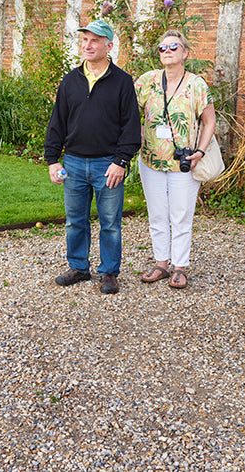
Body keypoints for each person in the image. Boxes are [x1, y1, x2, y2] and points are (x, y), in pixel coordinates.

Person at [44, 19, 141, 295]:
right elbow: (57, 123)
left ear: (108, 46)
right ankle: (78, 267)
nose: (87, 45)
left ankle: (109, 272)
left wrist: (121, 161)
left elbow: (131, 127)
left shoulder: (122, 82)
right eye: (85, 40)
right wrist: (53, 159)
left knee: (110, 224)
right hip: (74, 164)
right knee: (75, 221)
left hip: (107, 165)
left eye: (94, 41)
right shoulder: (70, 80)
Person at [135, 30, 216, 289]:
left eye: (173, 47)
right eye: (162, 47)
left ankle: (180, 267)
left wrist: (200, 151)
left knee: (181, 216)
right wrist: (139, 136)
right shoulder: (146, 81)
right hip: (151, 160)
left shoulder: (196, 84)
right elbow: (128, 112)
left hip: (184, 162)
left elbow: (209, 121)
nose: (167, 51)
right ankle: (161, 263)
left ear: (185, 53)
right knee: (157, 214)